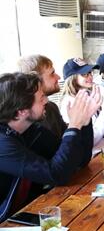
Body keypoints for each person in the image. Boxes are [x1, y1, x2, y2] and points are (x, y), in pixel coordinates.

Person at [0, 73, 97, 221]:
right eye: (41, 98)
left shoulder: (33, 130)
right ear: (22, 111)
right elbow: (56, 174)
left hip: (28, 212)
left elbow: (78, 162)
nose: (46, 100)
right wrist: (74, 125)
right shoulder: (3, 144)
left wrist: (84, 121)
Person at [17, 54, 95, 166]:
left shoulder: (51, 107)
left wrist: (86, 121)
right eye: (52, 73)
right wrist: (75, 124)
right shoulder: (27, 121)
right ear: (35, 81)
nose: (58, 77)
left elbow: (80, 158)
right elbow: (55, 169)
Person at [60, 58, 104, 153]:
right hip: (94, 155)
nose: (90, 77)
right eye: (84, 74)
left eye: (90, 72)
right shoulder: (70, 103)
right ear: (72, 78)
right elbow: (91, 139)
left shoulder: (89, 94)